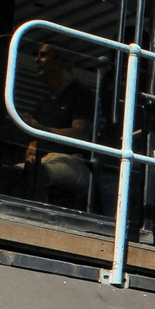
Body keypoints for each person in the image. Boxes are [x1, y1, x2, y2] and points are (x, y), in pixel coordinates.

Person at [21, 43, 95, 202]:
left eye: (43, 55)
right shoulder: (45, 102)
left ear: (61, 61)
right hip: (44, 159)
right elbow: (35, 137)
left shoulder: (81, 94)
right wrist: (32, 148)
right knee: (13, 173)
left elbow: (81, 133)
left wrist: (42, 130)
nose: (37, 60)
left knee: (36, 174)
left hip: (72, 161)